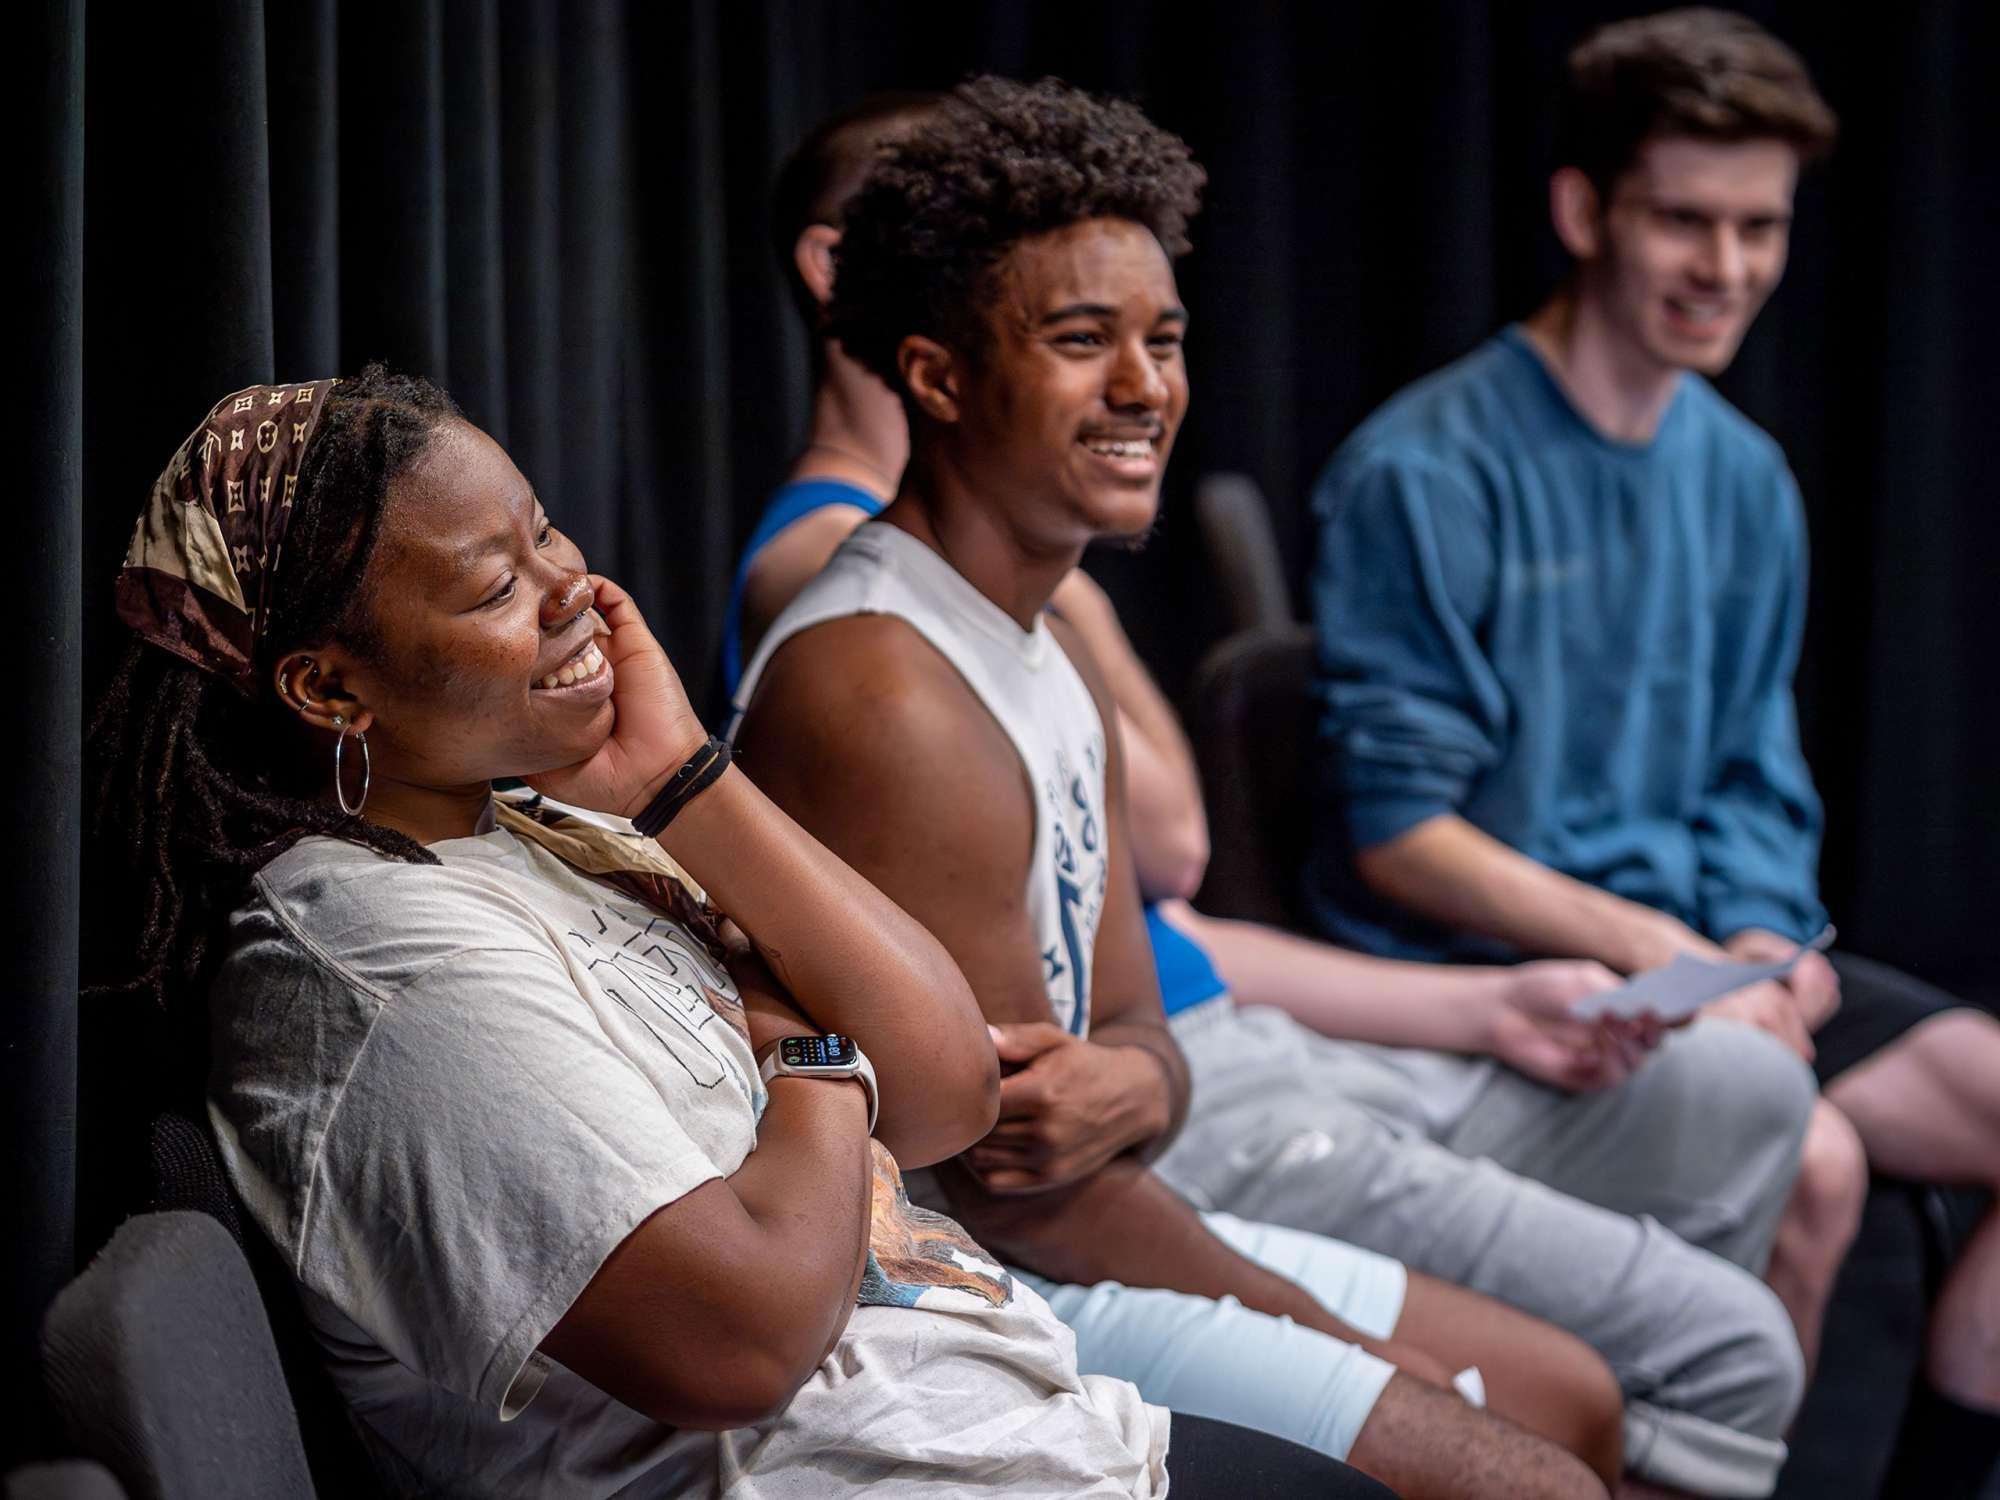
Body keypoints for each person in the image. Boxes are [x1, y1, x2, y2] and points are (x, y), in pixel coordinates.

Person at [729, 83, 1821, 1499]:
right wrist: (1335, 1335)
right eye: (1082, 342)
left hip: (1076, 1224)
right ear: (935, 376)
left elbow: (1138, 1033)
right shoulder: (887, 683)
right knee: (1534, 1459)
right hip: (963, 1299)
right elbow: (1026, 1189)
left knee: (1573, 1396)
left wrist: (1143, 1074)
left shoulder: (1041, 643)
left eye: (1163, 339)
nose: (1145, 387)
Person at [86, 367, 1399, 1498]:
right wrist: (810, 1047)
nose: (574, 589)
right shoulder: (367, 964)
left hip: (1019, 1426)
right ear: (332, 688)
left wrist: (684, 787)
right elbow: (745, 1341)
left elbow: (948, 1092)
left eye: (547, 535)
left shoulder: (540, 824)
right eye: (498, 586)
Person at [1308, 9, 2000, 1494]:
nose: (1727, 268)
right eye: (1686, 221)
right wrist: (1654, 948)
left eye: (1761, 227)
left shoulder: (1745, 477)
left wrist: (1756, 935)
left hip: (1699, 965)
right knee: (1813, 1165)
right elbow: (1399, 834)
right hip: (1503, 987)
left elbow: (1757, 772)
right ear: (1584, 212)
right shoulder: (1428, 467)